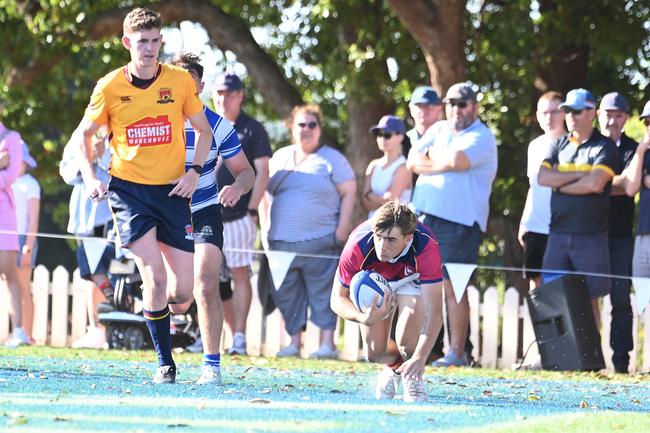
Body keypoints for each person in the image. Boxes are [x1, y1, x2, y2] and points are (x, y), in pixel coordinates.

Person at [71, 7, 213, 384]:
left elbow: (204, 131)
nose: (148, 49)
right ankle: (166, 363)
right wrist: (89, 177)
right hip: (129, 191)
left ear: (160, 41)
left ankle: (141, 298)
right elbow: (85, 136)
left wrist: (194, 172)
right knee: (155, 276)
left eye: (154, 41)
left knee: (182, 292)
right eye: (141, 42)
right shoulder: (109, 86)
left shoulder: (181, 82)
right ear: (126, 43)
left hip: (172, 191)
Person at [170, 53, 254, 384]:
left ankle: (211, 366)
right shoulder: (160, 121)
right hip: (168, 211)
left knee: (206, 282)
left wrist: (236, 187)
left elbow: (246, 171)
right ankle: (165, 355)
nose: (182, 88)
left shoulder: (218, 126)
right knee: (177, 296)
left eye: (190, 83)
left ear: (201, 86)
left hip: (205, 209)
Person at [406, 82, 498, 367]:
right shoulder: (438, 129)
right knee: (423, 285)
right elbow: (411, 160)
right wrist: (438, 161)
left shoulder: (482, 136)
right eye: (451, 103)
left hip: (459, 224)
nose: (456, 109)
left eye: (462, 103)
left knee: (453, 286)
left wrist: (431, 159)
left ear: (475, 106)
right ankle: (426, 350)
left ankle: (456, 352)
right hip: (425, 217)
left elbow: (458, 161)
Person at [261, 103, 356, 359]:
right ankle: (293, 343)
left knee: (324, 293)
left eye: (312, 124)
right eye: (301, 124)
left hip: (321, 240)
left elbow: (349, 192)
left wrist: (342, 230)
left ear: (320, 129)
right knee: (286, 295)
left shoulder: (333, 159)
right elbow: (262, 195)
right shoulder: (280, 157)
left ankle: (328, 345)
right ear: (292, 127)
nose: (306, 129)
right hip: (280, 242)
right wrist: (265, 231)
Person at [330, 199, 443, 403]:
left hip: (411, 279)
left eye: (391, 240)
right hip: (375, 280)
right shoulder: (358, 243)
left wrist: (420, 358)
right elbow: (337, 299)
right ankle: (396, 368)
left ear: (408, 239)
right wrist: (362, 317)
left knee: (409, 347)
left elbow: (435, 311)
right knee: (374, 353)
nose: (382, 246)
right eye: (379, 237)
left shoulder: (425, 245)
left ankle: (413, 377)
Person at [538, 88, 620, 327]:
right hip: (558, 233)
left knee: (590, 298)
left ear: (592, 112)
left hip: (591, 235)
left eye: (577, 110)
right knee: (552, 294)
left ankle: (591, 361)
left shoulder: (605, 147)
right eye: (567, 111)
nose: (571, 116)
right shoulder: (558, 144)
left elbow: (595, 183)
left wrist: (561, 182)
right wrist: (579, 178)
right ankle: (554, 357)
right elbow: (543, 178)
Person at [212, 72, 272, 356]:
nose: (223, 98)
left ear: (240, 96)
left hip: (239, 214)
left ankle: (239, 336)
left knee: (238, 272)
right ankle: (214, 334)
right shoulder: (206, 124)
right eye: (219, 93)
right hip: (207, 214)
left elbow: (262, 173)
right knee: (211, 276)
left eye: (229, 93)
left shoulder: (252, 129)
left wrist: (251, 210)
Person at [60, 127, 115, 349]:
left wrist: (101, 157)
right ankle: (97, 328)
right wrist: (88, 157)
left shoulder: (122, 129)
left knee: (104, 270)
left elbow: (125, 169)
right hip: (84, 217)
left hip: (110, 213)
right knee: (90, 271)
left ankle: (105, 326)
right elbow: (66, 172)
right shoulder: (79, 135)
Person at [596, 92, 638, 374]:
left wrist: (595, 181)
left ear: (625, 118)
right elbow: (616, 184)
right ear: (599, 114)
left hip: (621, 235)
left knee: (621, 299)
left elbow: (630, 186)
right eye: (608, 114)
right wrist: (613, 182)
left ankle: (621, 361)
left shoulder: (634, 149)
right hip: (590, 233)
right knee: (585, 296)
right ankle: (586, 357)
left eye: (618, 115)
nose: (612, 120)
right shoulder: (588, 144)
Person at [518, 91, 566, 290]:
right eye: (544, 112)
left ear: (564, 113)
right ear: (537, 115)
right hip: (535, 226)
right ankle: (538, 324)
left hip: (562, 227)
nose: (549, 117)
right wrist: (524, 221)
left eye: (554, 112)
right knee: (535, 285)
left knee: (564, 285)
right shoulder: (535, 146)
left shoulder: (573, 144)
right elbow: (533, 186)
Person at [0, 104, 27, 347]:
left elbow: (10, 177)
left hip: (4, 216)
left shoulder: (11, 138)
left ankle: (18, 330)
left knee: (9, 272)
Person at [11, 141, 40, 345]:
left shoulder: (30, 183)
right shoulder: (8, 181)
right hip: (8, 238)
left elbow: (33, 218)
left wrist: (27, 245)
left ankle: (27, 334)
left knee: (22, 287)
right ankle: (16, 331)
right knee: (11, 287)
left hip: (22, 239)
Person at [361, 115, 412, 218]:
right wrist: (380, 200)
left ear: (400, 137)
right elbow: (363, 201)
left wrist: (369, 195)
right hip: (372, 227)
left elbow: (390, 201)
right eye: (379, 135)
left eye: (387, 135)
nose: (382, 139)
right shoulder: (373, 165)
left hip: (395, 229)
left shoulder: (404, 167)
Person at [406, 86, 444, 150]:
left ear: (440, 109)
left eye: (429, 106)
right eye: (419, 106)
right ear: (411, 109)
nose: (423, 111)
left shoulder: (449, 138)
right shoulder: (402, 142)